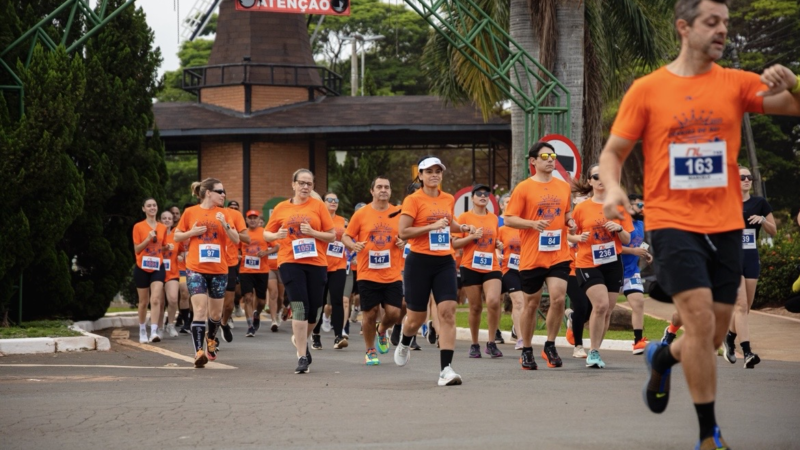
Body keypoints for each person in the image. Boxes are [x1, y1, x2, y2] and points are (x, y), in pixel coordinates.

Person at [597, 0, 800, 446]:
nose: (723, 30)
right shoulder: (648, 89)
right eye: (713, 22)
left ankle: (662, 358)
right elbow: (612, 153)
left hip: (726, 224)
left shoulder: (736, 83)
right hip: (673, 224)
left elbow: (792, 105)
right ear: (684, 28)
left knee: (710, 336)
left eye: (727, 23)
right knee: (701, 320)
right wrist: (612, 188)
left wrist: (795, 82)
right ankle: (709, 435)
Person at [396, 155, 475, 386]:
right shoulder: (413, 200)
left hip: (444, 261)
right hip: (419, 261)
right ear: (419, 176)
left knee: (448, 311)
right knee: (416, 317)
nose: (434, 175)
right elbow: (403, 232)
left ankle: (446, 370)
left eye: (438, 171)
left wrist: (462, 227)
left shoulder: (448, 198)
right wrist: (431, 226)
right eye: (429, 171)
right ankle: (405, 340)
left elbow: (448, 222)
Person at [504, 142, 576, 370]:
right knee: (532, 304)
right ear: (532, 161)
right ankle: (526, 349)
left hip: (558, 253)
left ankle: (551, 344)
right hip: (532, 255)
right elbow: (509, 219)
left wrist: (571, 221)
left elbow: (567, 212)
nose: (550, 159)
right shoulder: (524, 188)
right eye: (545, 155)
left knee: (557, 297)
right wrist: (532, 224)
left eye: (553, 155)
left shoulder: (563, 186)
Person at [265, 169, 335, 374]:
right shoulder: (281, 207)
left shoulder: (319, 206)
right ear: (293, 184)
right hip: (290, 261)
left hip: (316, 262)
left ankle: (299, 338)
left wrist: (313, 233)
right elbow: (266, 233)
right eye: (301, 183)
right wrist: (275, 234)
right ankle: (302, 355)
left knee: (314, 311)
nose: (305, 187)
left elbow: (331, 236)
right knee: (299, 307)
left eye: (309, 184)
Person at [174, 178, 241, 368]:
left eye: (224, 191)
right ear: (208, 193)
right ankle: (198, 352)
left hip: (219, 270)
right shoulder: (190, 212)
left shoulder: (226, 213)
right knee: (200, 310)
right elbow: (177, 236)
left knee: (215, 314)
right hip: (196, 268)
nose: (224, 195)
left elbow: (236, 239)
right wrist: (191, 233)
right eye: (220, 191)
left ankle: (211, 339)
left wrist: (225, 225)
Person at [571, 165, 633, 368]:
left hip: (612, 261)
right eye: (596, 176)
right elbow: (568, 234)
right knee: (601, 305)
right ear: (590, 181)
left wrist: (619, 228)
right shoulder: (581, 208)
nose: (600, 179)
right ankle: (594, 352)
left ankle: (595, 349)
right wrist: (578, 237)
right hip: (588, 262)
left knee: (607, 310)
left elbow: (627, 238)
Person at [343, 176, 406, 365]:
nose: (383, 190)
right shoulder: (361, 214)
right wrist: (353, 246)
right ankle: (370, 350)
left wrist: (405, 241)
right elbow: (347, 236)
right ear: (372, 191)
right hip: (367, 272)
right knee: (369, 313)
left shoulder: (399, 213)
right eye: (379, 187)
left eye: (387, 187)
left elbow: (409, 233)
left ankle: (382, 330)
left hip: (392, 272)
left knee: (395, 312)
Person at [722, 166, 776, 368]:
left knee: (746, 307)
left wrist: (762, 220)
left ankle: (729, 337)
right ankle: (747, 352)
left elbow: (774, 231)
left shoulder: (759, 203)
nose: (746, 180)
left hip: (751, 257)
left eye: (749, 177)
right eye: (742, 177)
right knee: (741, 305)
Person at [454, 184, 504, 358]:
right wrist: (471, 237)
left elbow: (495, 239)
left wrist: (498, 244)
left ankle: (491, 342)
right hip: (470, 265)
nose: (483, 196)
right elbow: (454, 243)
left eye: (486, 194)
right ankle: (474, 343)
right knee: (475, 307)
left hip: (491, 265)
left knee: (493, 301)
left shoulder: (494, 218)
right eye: (479, 194)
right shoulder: (464, 217)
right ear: (473, 198)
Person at [311, 192, 349, 350]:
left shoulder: (342, 221)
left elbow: (348, 237)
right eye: (330, 200)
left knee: (337, 301)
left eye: (336, 200)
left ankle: (338, 336)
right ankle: (316, 335)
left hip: (339, 265)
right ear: (323, 202)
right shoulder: (318, 219)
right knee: (318, 302)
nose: (333, 202)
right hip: (321, 264)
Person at [620, 194, 653, 354]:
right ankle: (576, 320)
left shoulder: (641, 223)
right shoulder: (619, 223)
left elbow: (643, 242)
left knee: (639, 302)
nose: (643, 209)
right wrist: (633, 250)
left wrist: (645, 253)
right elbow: (613, 246)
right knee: (602, 309)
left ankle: (638, 342)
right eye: (640, 206)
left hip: (632, 271)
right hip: (615, 271)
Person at [132, 198, 168, 343]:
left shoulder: (162, 227)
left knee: (156, 299)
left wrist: (168, 248)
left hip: (157, 266)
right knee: (143, 301)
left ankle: (153, 331)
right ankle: (142, 330)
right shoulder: (138, 227)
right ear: (144, 209)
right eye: (149, 206)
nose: (152, 208)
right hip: (142, 267)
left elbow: (162, 246)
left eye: (154, 205)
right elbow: (137, 249)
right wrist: (147, 239)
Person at [219, 200, 248, 344]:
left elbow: (246, 238)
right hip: (210, 262)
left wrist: (229, 228)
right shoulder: (201, 213)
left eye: (221, 192)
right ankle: (211, 335)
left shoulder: (234, 215)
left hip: (229, 262)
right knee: (208, 303)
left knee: (228, 304)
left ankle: (224, 323)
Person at [239, 210, 271, 338]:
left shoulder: (264, 232)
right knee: (248, 297)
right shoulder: (243, 233)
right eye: (250, 218)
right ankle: (250, 326)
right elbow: (235, 247)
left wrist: (265, 253)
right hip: (245, 270)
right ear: (246, 220)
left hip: (262, 270)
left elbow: (277, 247)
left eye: (255, 218)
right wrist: (238, 256)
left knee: (262, 300)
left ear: (259, 219)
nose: (252, 220)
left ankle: (257, 313)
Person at [498, 209, 524, 350]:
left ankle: (517, 329)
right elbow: (495, 244)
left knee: (527, 304)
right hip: (509, 269)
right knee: (518, 302)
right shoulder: (502, 230)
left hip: (527, 268)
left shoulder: (527, 228)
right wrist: (498, 253)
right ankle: (520, 339)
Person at [160, 210, 181, 338]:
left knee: (173, 299)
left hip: (172, 272)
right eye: (164, 218)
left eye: (169, 218)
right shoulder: (156, 235)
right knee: (160, 302)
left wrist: (181, 256)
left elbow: (183, 250)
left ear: (172, 221)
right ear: (160, 220)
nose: (167, 220)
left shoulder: (176, 235)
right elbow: (150, 251)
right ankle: (160, 327)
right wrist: (164, 248)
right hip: (157, 272)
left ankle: (170, 324)